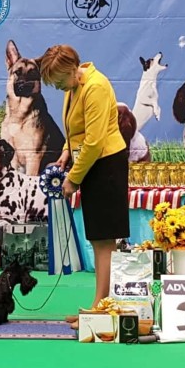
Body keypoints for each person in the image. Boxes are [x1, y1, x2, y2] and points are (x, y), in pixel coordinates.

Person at [38, 44, 130, 328]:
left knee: (105, 241)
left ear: (71, 70)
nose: (56, 87)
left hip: (106, 165)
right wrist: (66, 151)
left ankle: (101, 309)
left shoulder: (96, 87)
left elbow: (95, 141)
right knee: (97, 239)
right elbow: (76, 130)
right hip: (91, 163)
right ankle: (98, 305)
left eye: (57, 81)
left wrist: (73, 178)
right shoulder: (73, 87)